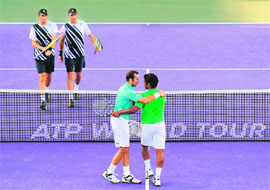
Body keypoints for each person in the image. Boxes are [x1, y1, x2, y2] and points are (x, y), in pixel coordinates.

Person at [103, 70, 166, 184]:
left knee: (126, 148)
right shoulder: (128, 91)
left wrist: (121, 111)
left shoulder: (127, 89)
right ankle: (109, 172)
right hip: (119, 120)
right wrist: (158, 93)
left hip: (123, 120)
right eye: (136, 79)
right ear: (130, 79)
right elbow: (145, 100)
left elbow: (134, 103)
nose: (138, 81)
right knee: (123, 149)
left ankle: (126, 175)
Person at [59, 8, 97, 108]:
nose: (73, 16)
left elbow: (90, 35)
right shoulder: (65, 27)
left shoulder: (83, 24)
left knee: (78, 75)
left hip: (80, 55)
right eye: (71, 15)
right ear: (68, 16)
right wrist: (60, 53)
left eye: (74, 14)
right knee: (70, 76)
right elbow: (61, 41)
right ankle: (70, 97)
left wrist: (94, 43)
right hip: (68, 55)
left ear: (77, 15)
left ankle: (76, 89)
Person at [29, 9, 58, 110]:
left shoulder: (53, 25)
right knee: (42, 76)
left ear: (47, 16)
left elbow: (54, 39)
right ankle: (42, 99)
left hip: (50, 54)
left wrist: (49, 49)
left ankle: (46, 90)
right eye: (42, 15)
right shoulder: (34, 28)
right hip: (39, 55)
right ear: (39, 17)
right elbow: (33, 42)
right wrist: (42, 48)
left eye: (45, 15)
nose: (44, 17)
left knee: (48, 77)